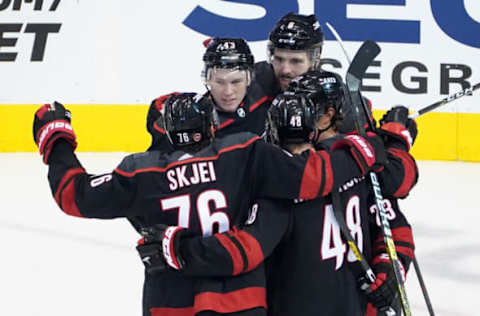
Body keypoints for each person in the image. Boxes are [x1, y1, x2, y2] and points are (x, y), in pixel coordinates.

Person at [32, 93, 384, 316]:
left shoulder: (139, 172)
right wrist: (364, 150)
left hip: (169, 301)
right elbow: (312, 178)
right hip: (241, 301)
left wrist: (56, 137)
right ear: (211, 127)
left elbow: (71, 195)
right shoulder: (243, 152)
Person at [134, 72, 417, 316]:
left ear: (328, 115)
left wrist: (178, 248)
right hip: (353, 304)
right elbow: (397, 222)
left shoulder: (282, 181)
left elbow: (246, 249)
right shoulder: (356, 161)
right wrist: (395, 140)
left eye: (307, 109)